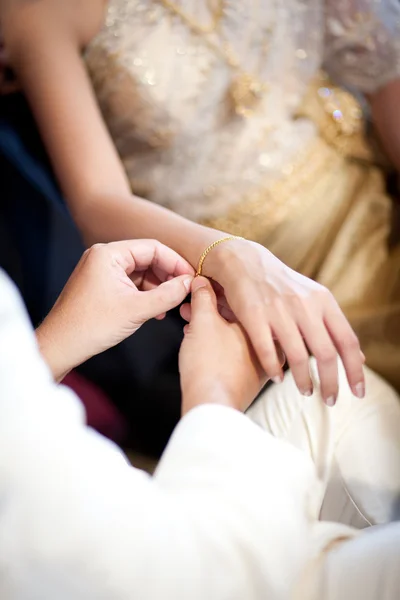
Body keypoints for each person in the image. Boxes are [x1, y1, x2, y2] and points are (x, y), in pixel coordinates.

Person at [0, 0, 376, 410]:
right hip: (271, 266)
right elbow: (96, 204)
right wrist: (231, 255)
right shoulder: (38, 12)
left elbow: (380, 62)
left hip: (373, 199)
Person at [0, 238, 399, 600]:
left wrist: (49, 349)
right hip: (196, 570)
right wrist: (216, 394)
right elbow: (187, 579)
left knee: (341, 397)